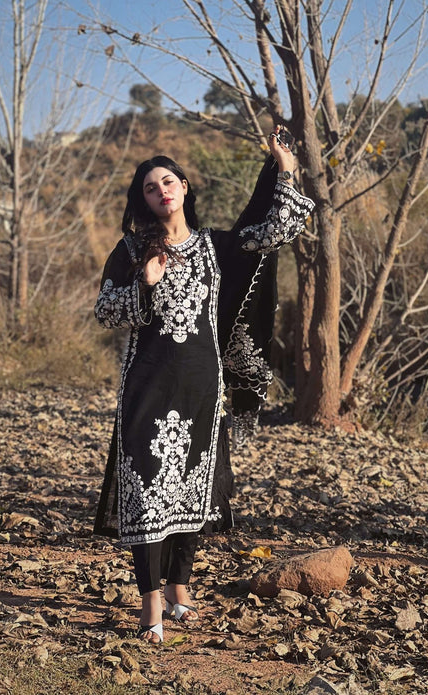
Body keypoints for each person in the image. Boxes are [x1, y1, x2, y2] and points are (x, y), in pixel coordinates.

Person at [93, 127, 315, 643]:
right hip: (147, 389)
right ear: (143, 200)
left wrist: (284, 166)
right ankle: (150, 608)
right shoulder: (129, 251)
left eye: (167, 181)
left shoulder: (218, 247)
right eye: (150, 187)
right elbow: (105, 311)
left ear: (185, 187)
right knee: (147, 493)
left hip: (201, 389)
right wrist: (143, 284)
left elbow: (278, 227)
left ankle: (180, 591)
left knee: (192, 490)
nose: (161, 191)